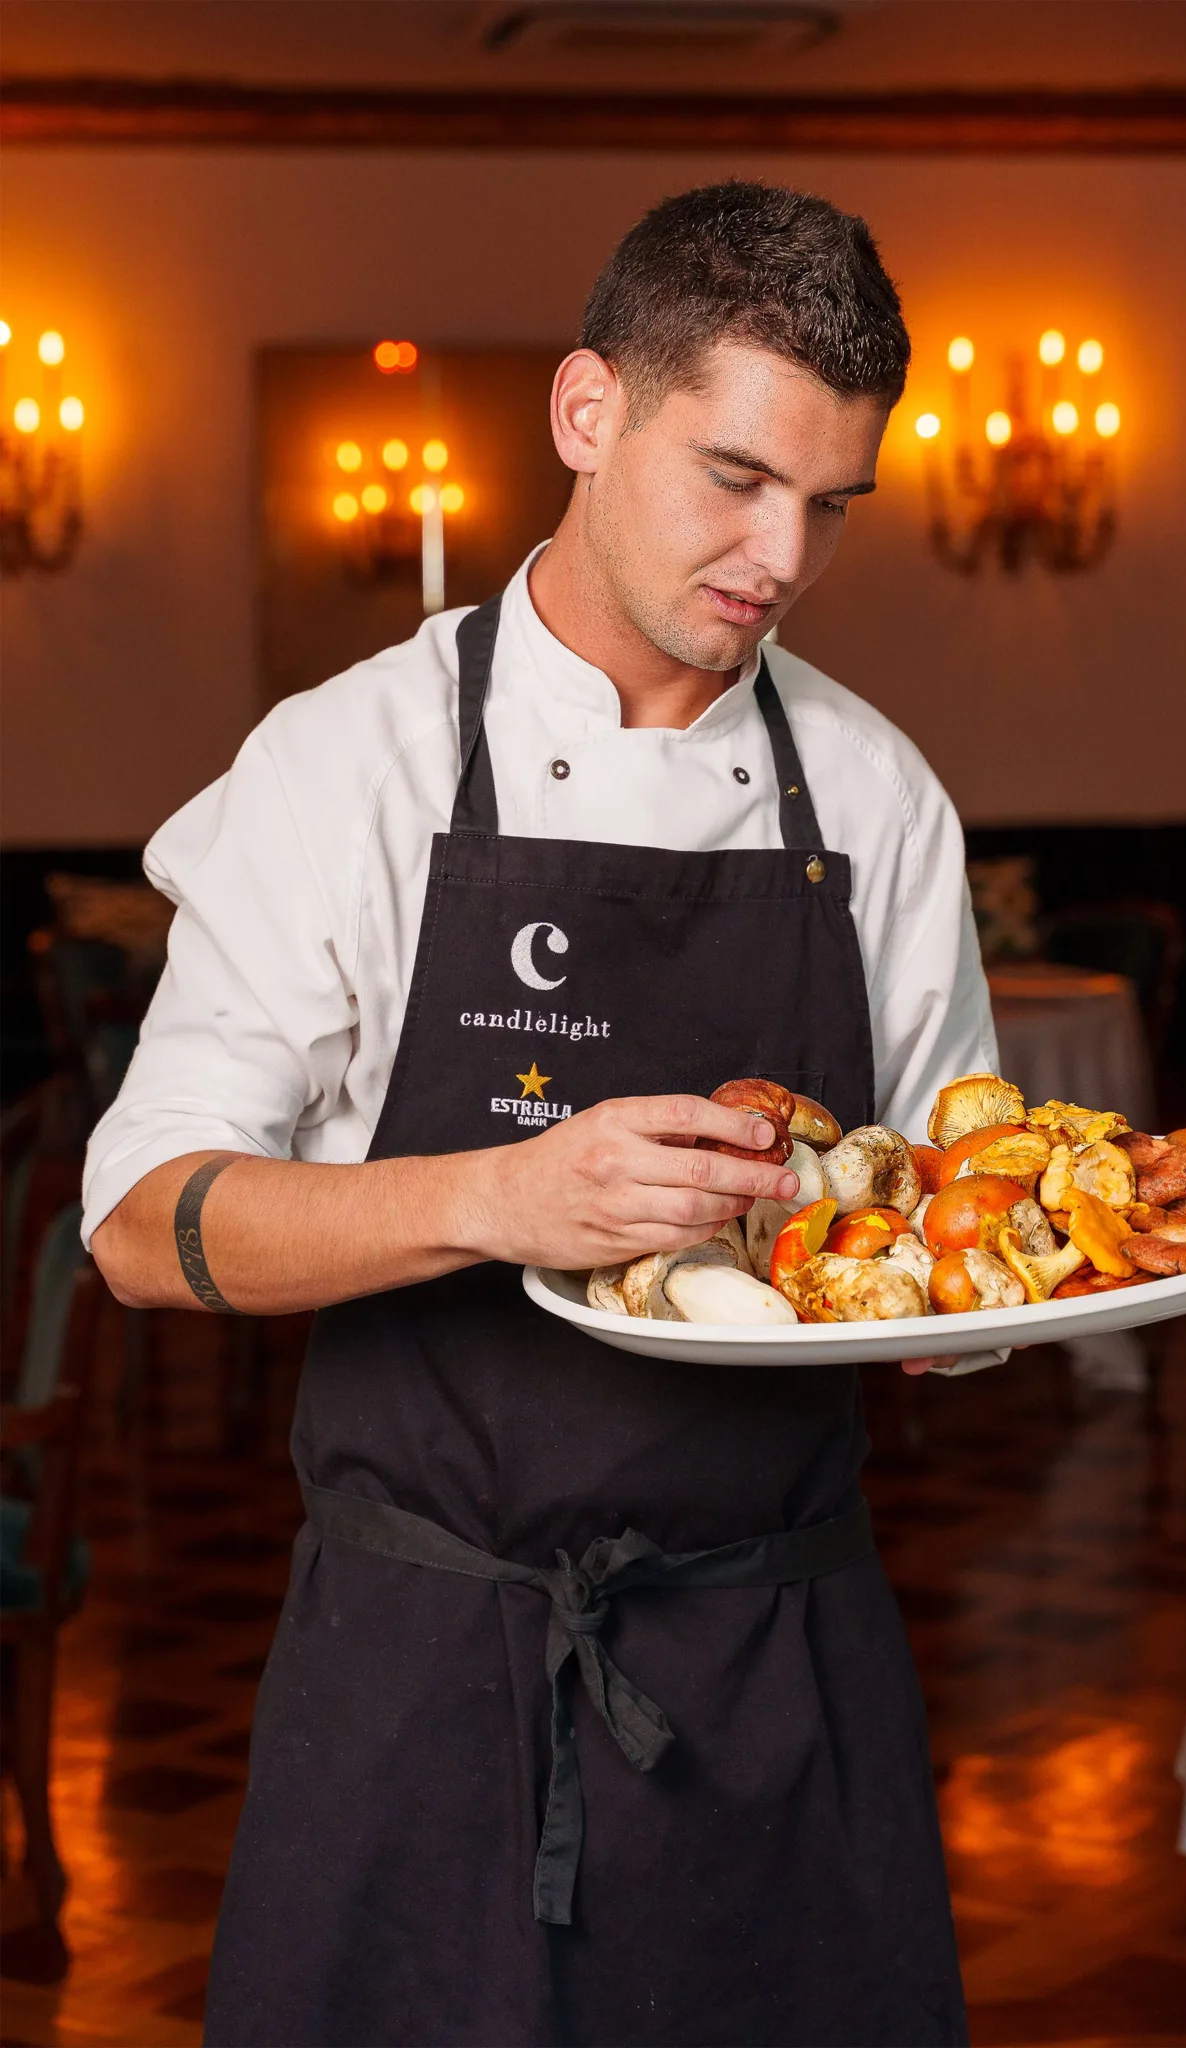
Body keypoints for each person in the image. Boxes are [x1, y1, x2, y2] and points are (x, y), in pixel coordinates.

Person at [85, 182, 995, 2047]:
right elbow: (142, 1230)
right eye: (737, 476)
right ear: (589, 412)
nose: (782, 557)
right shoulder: (347, 763)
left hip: (783, 1663)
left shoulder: (878, 799)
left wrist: (961, 1307)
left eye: (831, 504)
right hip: (424, 1668)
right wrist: (502, 1199)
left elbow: (959, 1230)